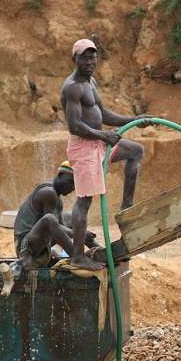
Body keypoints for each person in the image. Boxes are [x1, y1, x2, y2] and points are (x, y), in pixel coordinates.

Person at [60, 38, 152, 270]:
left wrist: (133, 120)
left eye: (93, 57)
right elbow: (74, 126)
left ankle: (127, 207)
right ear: (75, 59)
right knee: (84, 200)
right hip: (84, 147)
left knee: (135, 151)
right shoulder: (72, 87)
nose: (90, 61)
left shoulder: (91, 82)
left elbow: (102, 115)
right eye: (85, 57)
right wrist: (104, 136)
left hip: (99, 143)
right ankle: (78, 256)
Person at [11, 161, 100, 274]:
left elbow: (60, 229)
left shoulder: (58, 199)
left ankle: (102, 252)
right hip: (26, 247)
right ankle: (77, 257)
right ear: (60, 175)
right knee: (50, 219)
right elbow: (51, 225)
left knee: (73, 219)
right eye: (70, 182)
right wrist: (77, 233)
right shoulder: (48, 193)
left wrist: (80, 232)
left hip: (39, 243)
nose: (72, 188)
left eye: (75, 185)